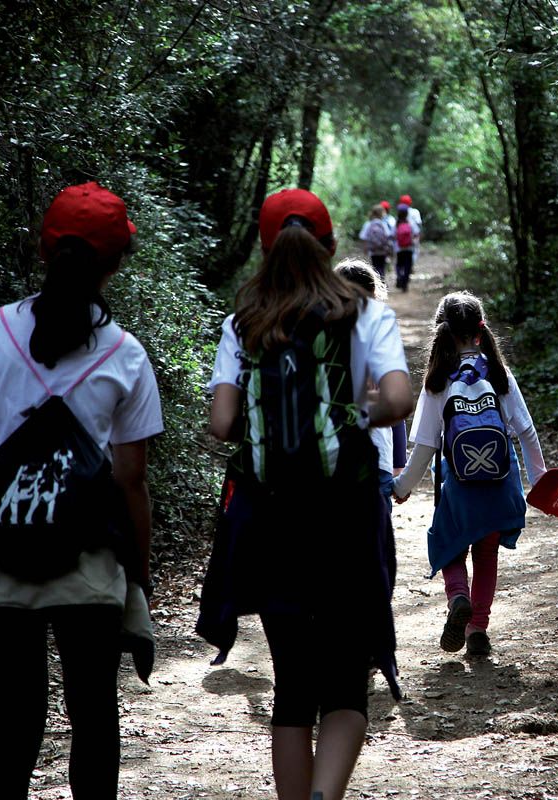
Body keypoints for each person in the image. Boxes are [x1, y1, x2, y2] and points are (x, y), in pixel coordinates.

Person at [0, 181, 162, 799]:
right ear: (115, 264)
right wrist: (139, 574)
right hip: (87, 566)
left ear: (41, 250)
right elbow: (130, 482)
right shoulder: (127, 356)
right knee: (95, 728)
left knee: (12, 735)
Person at [197, 188, 413, 800]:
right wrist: (352, 412)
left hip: (272, 520)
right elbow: (397, 401)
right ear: (331, 246)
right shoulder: (365, 313)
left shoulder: (243, 324)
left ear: (264, 249)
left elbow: (221, 423)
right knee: (346, 683)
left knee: (292, 685)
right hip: (346, 516)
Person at [393, 291, 547, 657]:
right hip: (500, 482)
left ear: (441, 333)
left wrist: (402, 486)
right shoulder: (498, 372)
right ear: (481, 332)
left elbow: (426, 446)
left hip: (459, 485)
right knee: (487, 553)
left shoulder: (438, 380)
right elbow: (525, 430)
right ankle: (478, 627)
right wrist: (539, 479)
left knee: (449, 543)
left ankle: (457, 596)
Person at [334, 257, 409, 512]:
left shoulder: (320, 342)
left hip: (331, 460)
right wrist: (400, 460)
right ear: (375, 294)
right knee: (375, 546)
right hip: (377, 458)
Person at [356, 205, 393, 279]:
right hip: (382, 250)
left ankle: (377, 283)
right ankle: (382, 282)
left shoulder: (368, 224)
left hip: (373, 250)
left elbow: (363, 237)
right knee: (382, 267)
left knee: (375, 267)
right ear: (382, 213)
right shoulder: (383, 224)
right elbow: (388, 235)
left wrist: (365, 248)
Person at [393, 206, 416, 292]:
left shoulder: (396, 224)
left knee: (399, 265)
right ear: (407, 214)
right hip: (409, 248)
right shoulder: (410, 223)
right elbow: (416, 234)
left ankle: (399, 277)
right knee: (407, 266)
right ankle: (405, 283)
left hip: (399, 249)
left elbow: (392, 236)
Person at [398, 193, 423, 263]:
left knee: (403, 250)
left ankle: (405, 265)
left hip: (402, 235)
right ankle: (411, 264)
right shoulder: (415, 211)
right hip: (414, 235)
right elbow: (419, 223)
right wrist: (420, 234)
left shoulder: (400, 212)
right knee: (414, 250)